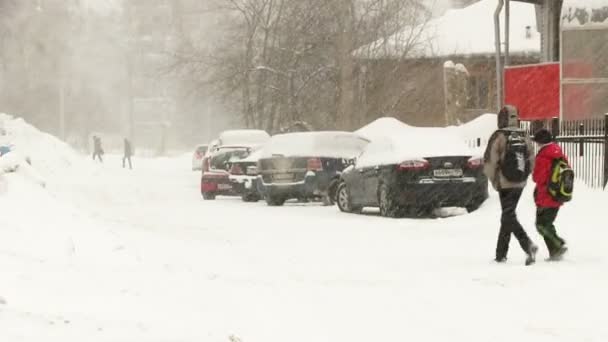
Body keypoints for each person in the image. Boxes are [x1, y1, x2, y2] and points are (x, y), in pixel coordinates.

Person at [483, 105, 538, 265]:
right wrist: (524, 176)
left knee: (508, 215)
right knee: (507, 215)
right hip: (519, 183)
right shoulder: (523, 135)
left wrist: (495, 181)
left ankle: (528, 245)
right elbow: (531, 159)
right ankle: (501, 254)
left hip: (505, 182)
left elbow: (489, 161)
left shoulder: (499, 135)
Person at [532, 128, 568, 260]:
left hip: (546, 195)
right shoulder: (558, 153)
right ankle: (555, 249)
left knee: (541, 225)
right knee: (546, 223)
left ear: (541, 142)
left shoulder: (544, 156)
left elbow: (538, 177)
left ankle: (557, 246)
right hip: (557, 193)